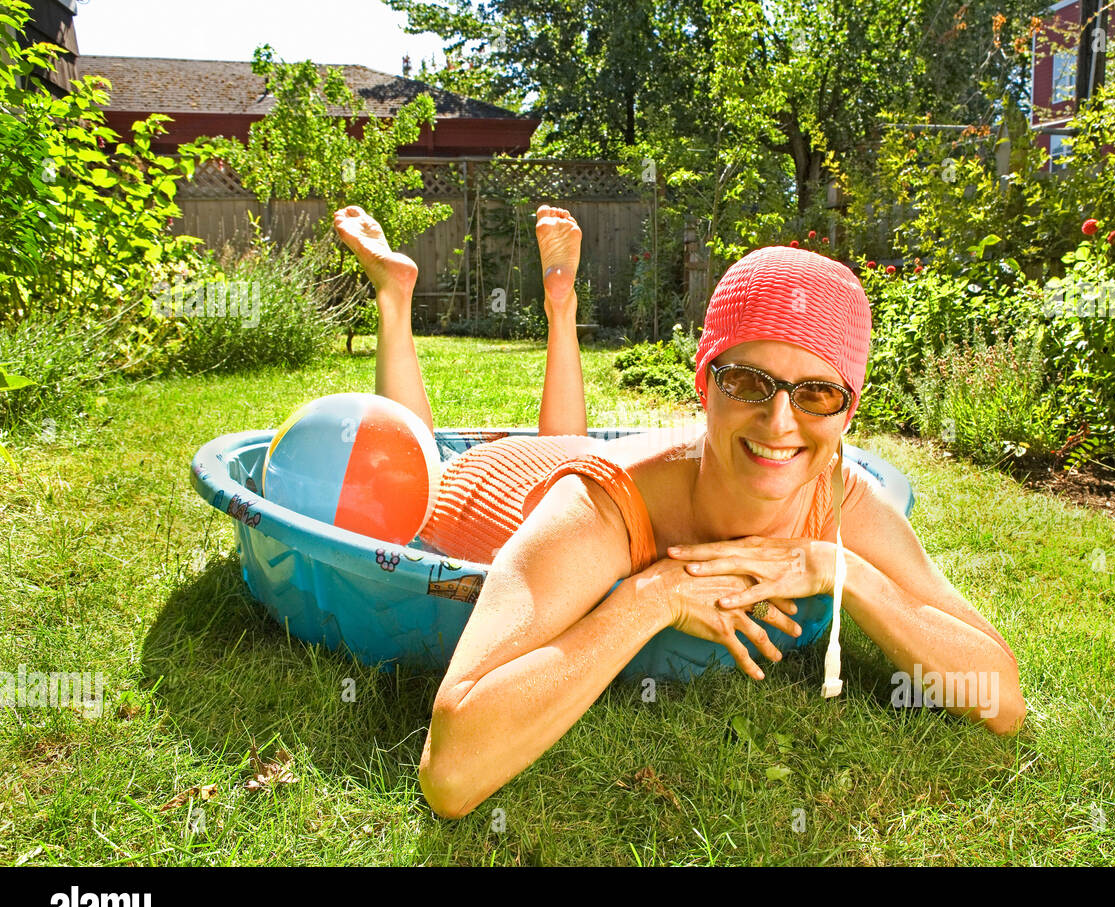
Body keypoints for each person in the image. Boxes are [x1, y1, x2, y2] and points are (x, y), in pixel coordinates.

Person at [332, 203, 1026, 820]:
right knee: (407, 458)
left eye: (816, 394)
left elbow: (1001, 696)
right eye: (750, 382)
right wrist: (654, 594)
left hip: (572, 456)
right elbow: (450, 775)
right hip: (479, 497)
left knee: (562, 438)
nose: (781, 423)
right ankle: (397, 300)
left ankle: (560, 308)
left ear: (850, 410)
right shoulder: (602, 505)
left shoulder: (837, 495)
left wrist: (842, 568)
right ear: (705, 383)